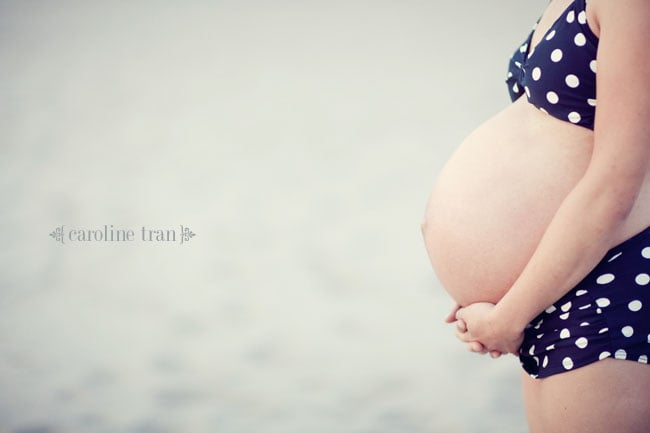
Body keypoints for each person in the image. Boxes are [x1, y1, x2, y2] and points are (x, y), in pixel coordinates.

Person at [421, 0, 650, 431]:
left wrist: (510, 316)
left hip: (604, 282)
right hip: (556, 279)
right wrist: (502, 279)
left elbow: (616, 183)